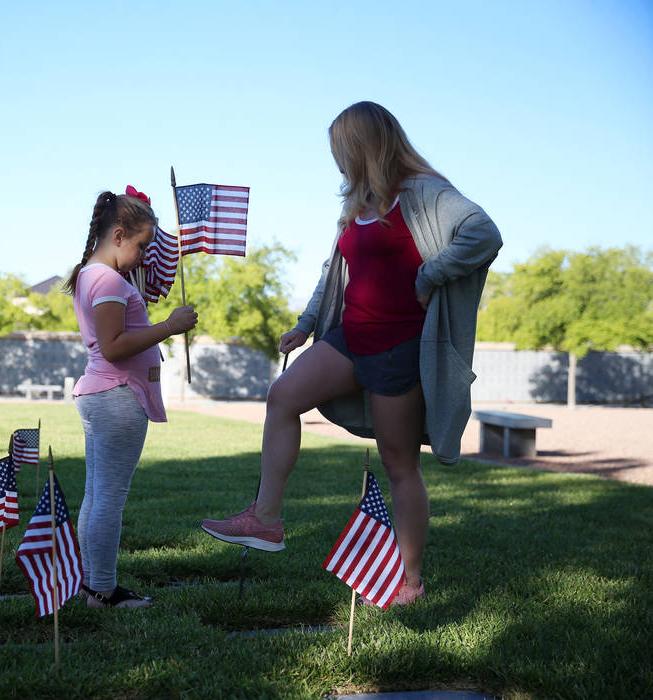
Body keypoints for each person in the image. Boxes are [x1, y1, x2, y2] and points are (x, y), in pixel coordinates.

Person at [200, 102, 502, 606]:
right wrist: (305, 324)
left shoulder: (424, 192)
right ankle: (266, 519)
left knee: (399, 464)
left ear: (366, 147)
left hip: (398, 348)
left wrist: (430, 275)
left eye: (342, 151)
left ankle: (409, 582)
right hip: (349, 337)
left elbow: (483, 233)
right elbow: (333, 273)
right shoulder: (357, 205)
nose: (338, 162)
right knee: (283, 396)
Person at [66, 188, 198, 609]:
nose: (143, 255)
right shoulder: (105, 279)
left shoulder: (94, 275)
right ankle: (102, 591)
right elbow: (114, 345)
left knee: (97, 493)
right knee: (108, 497)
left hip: (107, 396)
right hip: (117, 397)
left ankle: (93, 586)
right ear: (118, 235)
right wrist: (169, 326)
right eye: (141, 245)